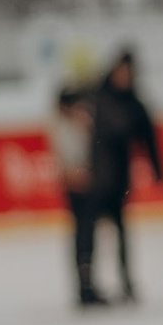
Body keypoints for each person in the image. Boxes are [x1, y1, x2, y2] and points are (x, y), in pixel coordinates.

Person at [81, 47, 163, 303]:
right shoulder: (95, 96)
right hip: (92, 178)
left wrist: (157, 169)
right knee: (86, 233)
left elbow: (148, 138)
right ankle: (86, 285)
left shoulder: (133, 102)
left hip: (117, 180)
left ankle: (126, 281)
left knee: (120, 233)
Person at [50, 52, 106, 307]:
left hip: (86, 185)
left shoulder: (79, 125)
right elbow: (67, 160)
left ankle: (88, 280)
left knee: (88, 234)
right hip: (77, 187)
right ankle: (84, 283)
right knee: (83, 235)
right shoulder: (61, 127)